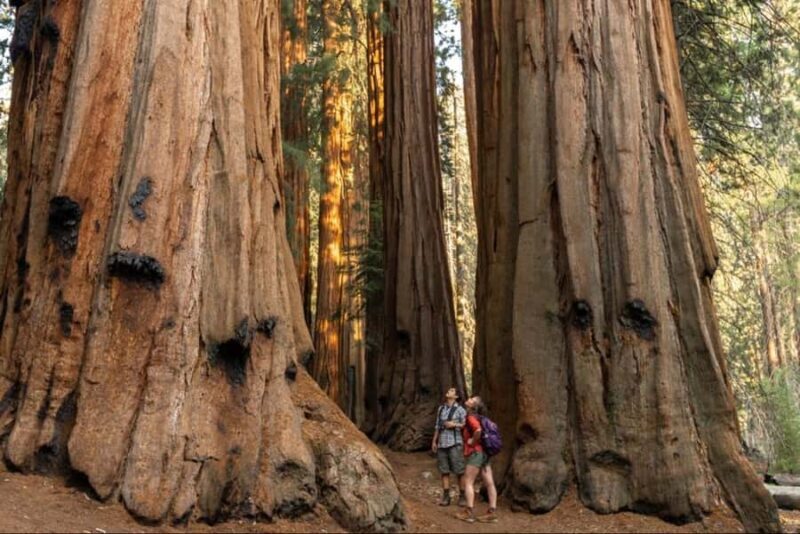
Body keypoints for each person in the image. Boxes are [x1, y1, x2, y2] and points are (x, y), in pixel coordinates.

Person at [456, 395, 498, 523]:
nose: (468, 400)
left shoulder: (471, 417)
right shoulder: (481, 418)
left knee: (468, 481)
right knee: (489, 483)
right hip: (485, 454)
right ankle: (492, 512)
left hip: (475, 453)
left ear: (473, 406)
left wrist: (472, 441)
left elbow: (478, 430)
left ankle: (468, 512)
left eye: (471, 400)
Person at [431, 387, 467, 507]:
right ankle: (446, 496)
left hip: (455, 444)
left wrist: (454, 424)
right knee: (444, 471)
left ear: (456, 396)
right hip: (442, 443)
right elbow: (437, 426)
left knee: (459, 471)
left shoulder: (460, 410)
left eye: (452, 390)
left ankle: (462, 496)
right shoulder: (441, 409)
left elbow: (465, 425)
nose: (448, 391)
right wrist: (434, 441)